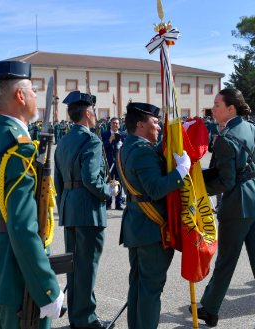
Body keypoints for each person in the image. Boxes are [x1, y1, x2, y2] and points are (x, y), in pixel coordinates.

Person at [0, 58, 63, 328]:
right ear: (20, 95)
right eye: (32, 89)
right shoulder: (19, 147)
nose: (35, 94)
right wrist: (47, 288)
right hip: (18, 277)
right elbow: (21, 226)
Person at [191, 89, 255, 329]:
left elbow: (226, 182)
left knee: (226, 261)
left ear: (231, 108)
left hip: (237, 208)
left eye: (217, 104)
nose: (214, 109)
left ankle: (210, 309)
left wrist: (196, 186)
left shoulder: (225, 138)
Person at [117, 101, 190, 329]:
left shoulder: (129, 146)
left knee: (138, 286)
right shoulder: (142, 152)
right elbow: (156, 188)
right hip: (152, 230)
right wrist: (181, 171)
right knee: (150, 290)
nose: (158, 127)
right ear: (141, 125)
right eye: (155, 123)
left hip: (137, 226)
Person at [53, 91, 119, 329]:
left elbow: (57, 180)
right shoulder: (91, 140)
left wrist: (65, 204)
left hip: (70, 208)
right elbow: (92, 179)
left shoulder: (63, 141)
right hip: (88, 210)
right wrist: (108, 192)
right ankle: (85, 318)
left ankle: (77, 316)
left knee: (74, 266)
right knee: (87, 265)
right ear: (88, 113)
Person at [101, 117, 126, 210]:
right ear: (110, 125)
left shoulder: (123, 134)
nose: (115, 125)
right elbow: (101, 147)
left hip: (119, 162)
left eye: (116, 123)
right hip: (109, 163)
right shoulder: (105, 134)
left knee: (119, 182)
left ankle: (118, 203)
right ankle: (108, 202)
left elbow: (126, 147)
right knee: (108, 182)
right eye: (113, 123)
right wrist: (110, 140)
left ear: (119, 125)